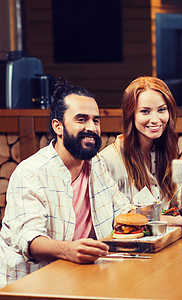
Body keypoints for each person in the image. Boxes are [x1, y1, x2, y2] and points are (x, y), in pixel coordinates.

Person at [0, 79, 130, 288]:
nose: (92, 127)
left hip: (81, 278)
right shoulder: (31, 172)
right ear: (58, 126)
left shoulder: (96, 163)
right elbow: (29, 238)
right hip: (30, 285)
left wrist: (169, 221)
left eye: (95, 120)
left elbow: (123, 210)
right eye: (81, 119)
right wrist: (68, 250)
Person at [99, 76, 182, 230]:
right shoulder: (108, 160)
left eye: (161, 110)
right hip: (129, 250)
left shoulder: (164, 151)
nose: (155, 119)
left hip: (165, 243)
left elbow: (179, 199)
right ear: (131, 115)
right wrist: (176, 221)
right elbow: (120, 215)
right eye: (145, 111)